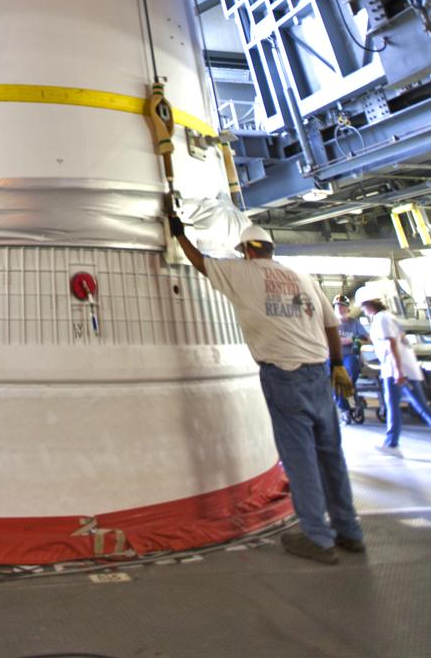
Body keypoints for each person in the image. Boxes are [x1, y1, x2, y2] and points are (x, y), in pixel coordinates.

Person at [171, 216, 364, 564]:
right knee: (331, 453)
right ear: (271, 249)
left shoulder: (244, 273)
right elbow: (331, 325)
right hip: (319, 374)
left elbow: (200, 263)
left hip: (283, 376)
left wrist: (178, 233)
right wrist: (337, 365)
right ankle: (349, 531)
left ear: (246, 251)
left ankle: (318, 539)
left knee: (300, 459)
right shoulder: (303, 277)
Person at [356, 287, 431, 455]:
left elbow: (392, 343)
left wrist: (398, 370)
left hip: (398, 369)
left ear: (369, 304)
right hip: (394, 368)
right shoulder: (385, 317)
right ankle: (391, 443)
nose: (362, 309)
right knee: (393, 405)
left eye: (363, 306)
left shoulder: (382, 318)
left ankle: (391, 443)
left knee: (419, 407)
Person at [332, 295, 365, 424]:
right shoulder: (329, 322)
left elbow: (366, 338)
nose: (339, 308)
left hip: (349, 355)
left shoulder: (354, 323)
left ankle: (349, 400)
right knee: (339, 379)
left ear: (347, 308)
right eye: (337, 306)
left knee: (351, 371)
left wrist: (353, 340)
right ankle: (346, 409)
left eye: (342, 306)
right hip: (333, 356)